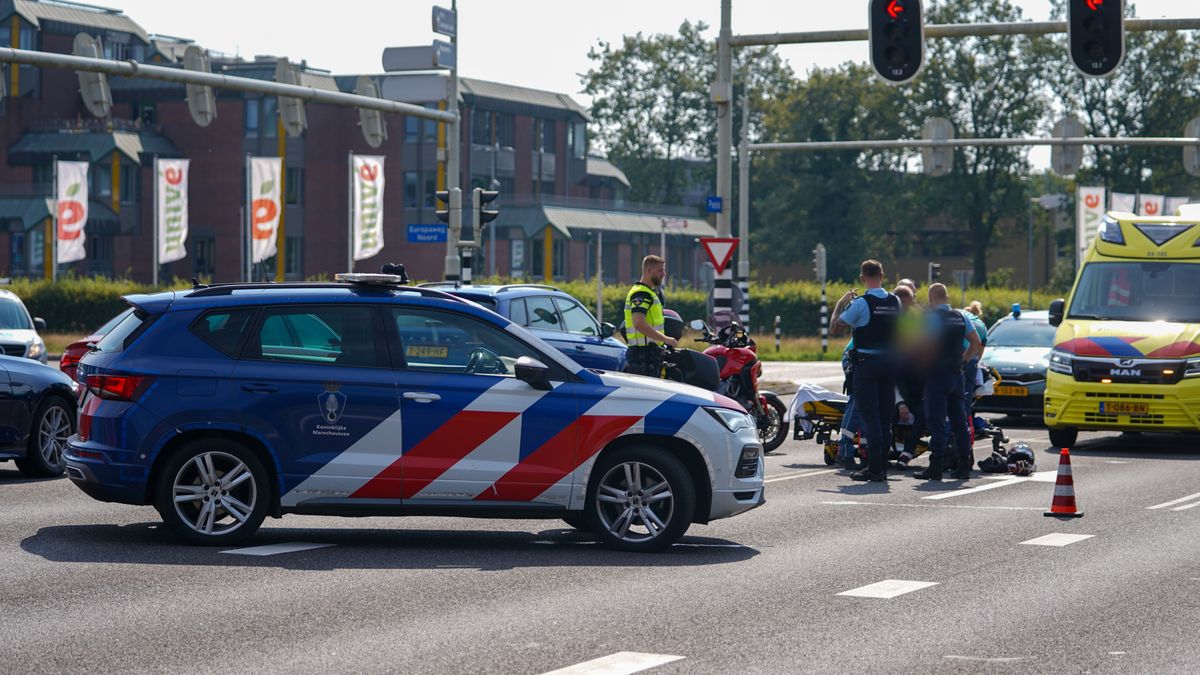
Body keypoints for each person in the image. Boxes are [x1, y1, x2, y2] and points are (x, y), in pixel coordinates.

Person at [832, 260, 901, 482]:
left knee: (869, 417)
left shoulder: (861, 303)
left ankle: (874, 469)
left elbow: (835, 327)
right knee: (884, 418)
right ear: (882, 274)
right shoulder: (896, 301)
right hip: (890, 364)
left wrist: (840, 304)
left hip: (867, 365)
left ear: (863, 278)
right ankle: (881, 467)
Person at [915, 283, 983, 481]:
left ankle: (935, 466)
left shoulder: (932, 318)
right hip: (956, 375)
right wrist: (964, 360)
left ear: (931, 299)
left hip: (937, 376)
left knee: (937, 423)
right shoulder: (960, 316)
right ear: (946, 297)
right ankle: (963, 466)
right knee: (959, 422)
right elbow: (976, 342)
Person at [622, 255, 677, 377]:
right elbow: (639, 323)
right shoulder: (641, 294)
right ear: (648, 271)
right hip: (642, 356)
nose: (664, 274)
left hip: (648, 355)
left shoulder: (650, 292)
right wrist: (665, 339)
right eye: (660, 270)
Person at [892, 285, 927, 468]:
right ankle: (883, 453)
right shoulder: (893, 321)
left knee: (923, 415)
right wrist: (900, 403)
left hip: (914, 388)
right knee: (887, 415)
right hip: (897, 389)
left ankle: (906, 452)